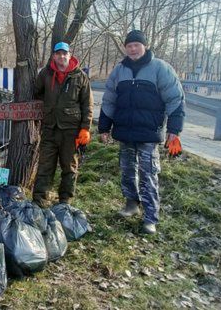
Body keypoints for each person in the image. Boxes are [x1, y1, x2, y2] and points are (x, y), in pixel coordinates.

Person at [98, 30, 185, 235]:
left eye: (136, 45)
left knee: (148, 174)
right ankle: (131, 204)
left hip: (148, 133)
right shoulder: (119, 71)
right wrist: (104, 127)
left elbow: (175, 99)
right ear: (125, 49)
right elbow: (109, 99)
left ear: (144, 46)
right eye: (129, 46)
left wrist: (174, 130)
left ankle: (150, 217)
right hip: (125, 132)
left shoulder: (160, 68)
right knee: (127, 170)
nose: (133, 49)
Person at [32, 42, 93, 208]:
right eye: (58, 53)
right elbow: (37, 91)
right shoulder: (46, 73)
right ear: (53, 56)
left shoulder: (79, 76)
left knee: (69, 166)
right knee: (45, 166)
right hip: (50, 128)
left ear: (69, 55)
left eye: (64, 53)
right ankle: (40, 200)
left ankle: (65, 201)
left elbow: (87, 104)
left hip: (71, 131)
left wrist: (85, 128)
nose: (61, 56)